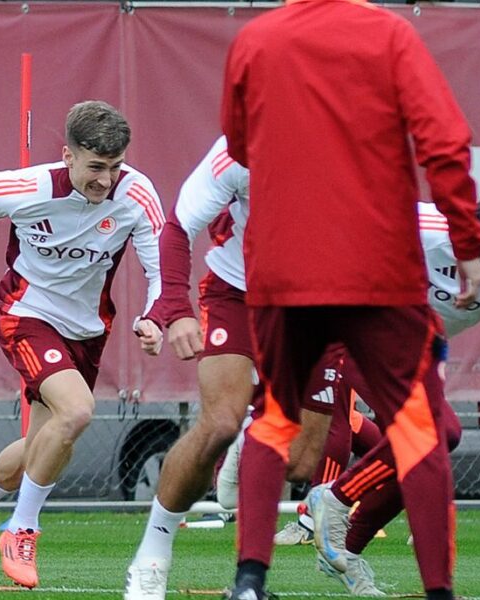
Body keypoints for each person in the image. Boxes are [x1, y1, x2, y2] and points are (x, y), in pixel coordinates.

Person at [220, 0, 480, 596]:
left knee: (273, 420)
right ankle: (438, 590)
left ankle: (248, 580)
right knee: (421, 429)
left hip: (285, 265)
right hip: (377, 270)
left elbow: (239, 144)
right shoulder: (390, 34)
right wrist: (468, 241)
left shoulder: (256, 39)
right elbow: (445, 140)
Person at [0, 101, 164, 589]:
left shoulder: (137, 196)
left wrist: (153, 317)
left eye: (116, 167)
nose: (106, 180)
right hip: (26, 316)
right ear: (68, 155)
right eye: (96, 168)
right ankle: (22, 528)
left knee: (47, 440)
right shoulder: (29, 187)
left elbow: (159, 269)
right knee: (78, 411)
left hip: (87, 331)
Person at [123, 137, 379, 599]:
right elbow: (179, 227)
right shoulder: (240, 149)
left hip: (315, 305)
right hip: (237, 294)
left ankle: (254, 432)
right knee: (219, 422)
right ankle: (152, 554)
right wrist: (176, 310)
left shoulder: (357, 149)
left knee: (303, 459)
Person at [299, 166, 480, 595]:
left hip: (410, 353)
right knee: (435, 434)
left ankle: (344, 547)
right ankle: (335, 498)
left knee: (434, 446)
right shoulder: (429, 227)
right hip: (352, 333)